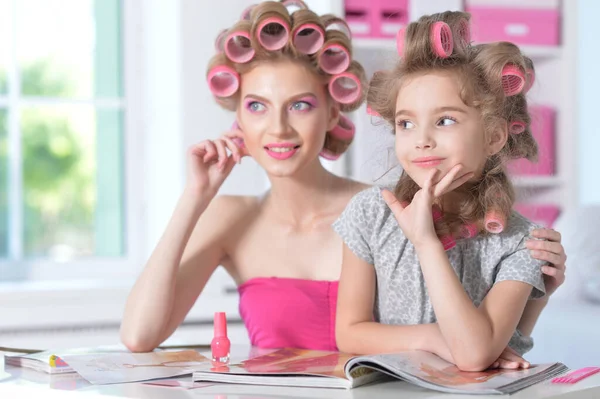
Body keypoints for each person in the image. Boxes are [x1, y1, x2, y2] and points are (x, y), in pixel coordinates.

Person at [120, 3, 566, 365]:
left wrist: (531, 303)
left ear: (334, 111)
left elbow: (469, 319)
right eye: (256, 106)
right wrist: (194, 197)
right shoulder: (232, 217)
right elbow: (139, 335)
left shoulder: (388, 210)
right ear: (237, 117)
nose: (277, 128)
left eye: (299, 105)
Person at [334, 11, 564, 371]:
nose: (422, 140)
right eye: (406, 123)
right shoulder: (371, 212)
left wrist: (426, 243)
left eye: (445, 120)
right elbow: (349, 332)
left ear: (493, 136)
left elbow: (473, 355)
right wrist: (434, 338)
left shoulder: (521, 241)